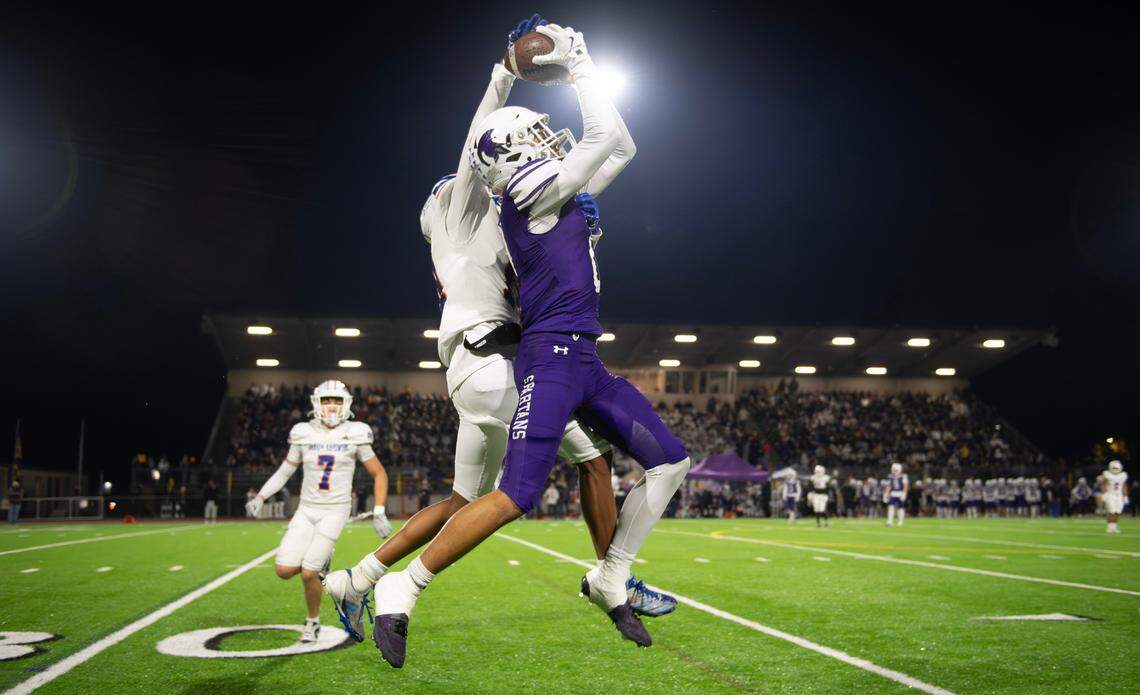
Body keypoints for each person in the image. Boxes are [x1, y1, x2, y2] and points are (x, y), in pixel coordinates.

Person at [323, 16, 674, 651]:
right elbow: (478, 149)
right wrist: (505, 73)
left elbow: (606, 156)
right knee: (586, 464)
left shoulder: (497, 220)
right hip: (502, 357)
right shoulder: (465, 211)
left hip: (474, 363)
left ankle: (360, 577)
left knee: (464, 498)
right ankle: (615, 578)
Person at [245, 380, 391, 643]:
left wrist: (379, 510)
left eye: (336, 400)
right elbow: (286, 470)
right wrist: (261, 496)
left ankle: (312, 621)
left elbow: (379, 473)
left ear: (346, 403)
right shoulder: (303, 432)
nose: (332, 406)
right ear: (316, 404)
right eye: (327, 400)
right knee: (284, 570)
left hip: (335, 509)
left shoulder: (356, 432)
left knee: (309, 572)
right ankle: (323, 561)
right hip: (307, 508)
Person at [1101, 460, 1128, 533]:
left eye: (1117, 468)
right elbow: (1103, 484)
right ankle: (1110, 527)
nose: (1115, 470)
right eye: (1114, 468)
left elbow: (1124, 486)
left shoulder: (1123, 475)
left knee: (1118, 512)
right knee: (1112, 511)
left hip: (1119, 495)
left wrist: (1125, 496)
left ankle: (1114, 527)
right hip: (1110, 494)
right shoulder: (1107, 474)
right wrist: (1104, 494)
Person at [885, 462, 908, 527]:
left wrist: (904, 493)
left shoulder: (903, 476)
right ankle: (890, 521)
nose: (894, 471)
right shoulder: (890, 476)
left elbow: (905, 486)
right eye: (893, 469)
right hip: (893, 493)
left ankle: (900, 521)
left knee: (901, 508)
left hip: (900, 493)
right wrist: (886, 493)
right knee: (890, 507)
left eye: (895, 470)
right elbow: (889, 486)